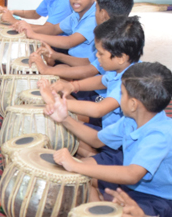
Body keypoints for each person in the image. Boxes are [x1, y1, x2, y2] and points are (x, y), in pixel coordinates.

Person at [41, 62, 172, 217]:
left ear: (133, 104)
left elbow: (132, 174)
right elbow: (96, 140)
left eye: (122, 93)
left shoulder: (160, 134)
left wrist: (76, 165)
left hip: (164, 200)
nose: (118, 97)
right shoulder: (131, 120)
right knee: (79, 181)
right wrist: (64, 119)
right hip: (135, 188)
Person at [51, 16, 144, 154]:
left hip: (122, 145)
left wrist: (60, 103)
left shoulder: (131, 81)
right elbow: (101, 80)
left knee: (66, 133)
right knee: (67, 131)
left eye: (100, 53)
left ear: (121, 58)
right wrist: (73, 86)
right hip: (108, 131)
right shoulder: (119, 69)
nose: (96, 56)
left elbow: (99, 110)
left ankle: (96, 158)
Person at [29, 0, 135, 86]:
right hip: (97, 81)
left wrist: (48, 70)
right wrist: (56, 56)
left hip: (97, 92)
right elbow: (88, 62)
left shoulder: (110, 41)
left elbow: (89, 70)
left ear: (103, 14)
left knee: (52, 84)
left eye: (96, 9)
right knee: (60, 70)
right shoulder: (114, 34)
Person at [14, 0, 99, 63]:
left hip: (84, 66)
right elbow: (54, 29)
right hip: (72, 61)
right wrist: (26, 27)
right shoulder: (76, 14)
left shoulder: (94, 17)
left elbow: (69, 41)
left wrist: (33, 35)